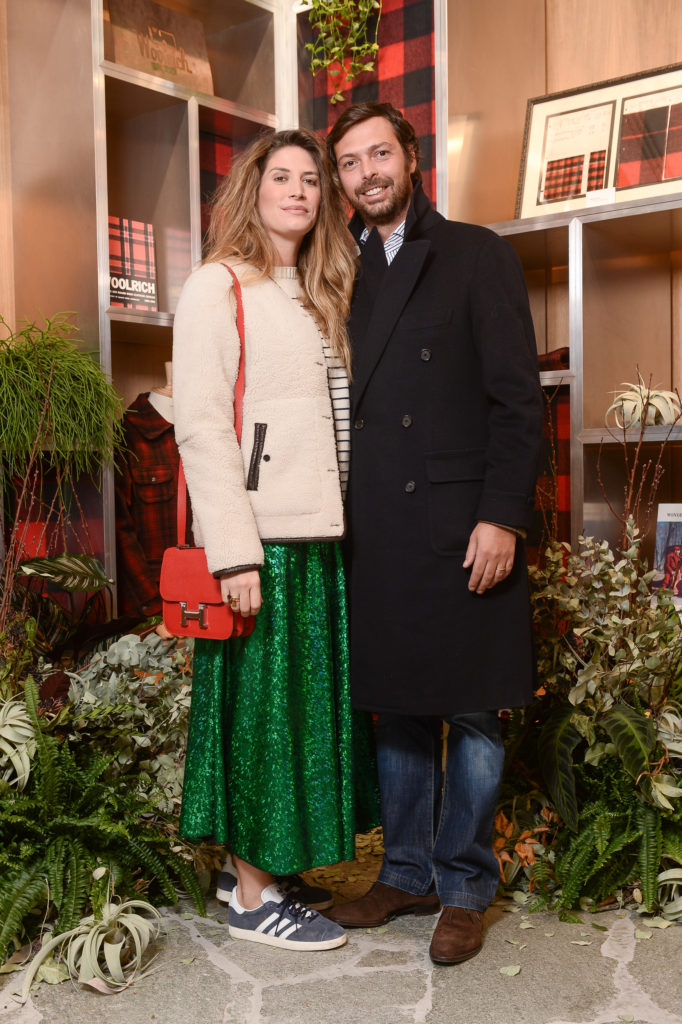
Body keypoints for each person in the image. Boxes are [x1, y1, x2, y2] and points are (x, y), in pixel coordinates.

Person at [326, 102, 544, 965]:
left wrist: (503, 515)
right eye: (350, 162)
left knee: (473, 705)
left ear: (412, 158)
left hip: (462, 520)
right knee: (400, 705)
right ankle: (407, 871)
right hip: (377, 519)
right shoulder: (338, 268)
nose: (367, 173)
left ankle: (464, 884)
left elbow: (517, 400)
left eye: (380, 154)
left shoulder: (476, 253)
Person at [173, 128, 379, 952]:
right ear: (252, 191)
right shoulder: (218, 285)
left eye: (310, 180)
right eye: (281, 177)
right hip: (264, 540)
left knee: (292, 714)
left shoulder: (320, 288)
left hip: (320, 535)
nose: (297, 191)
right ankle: (255, 900)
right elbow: (200, 424)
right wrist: (234, 552)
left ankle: (249, 869)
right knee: (265, 714)